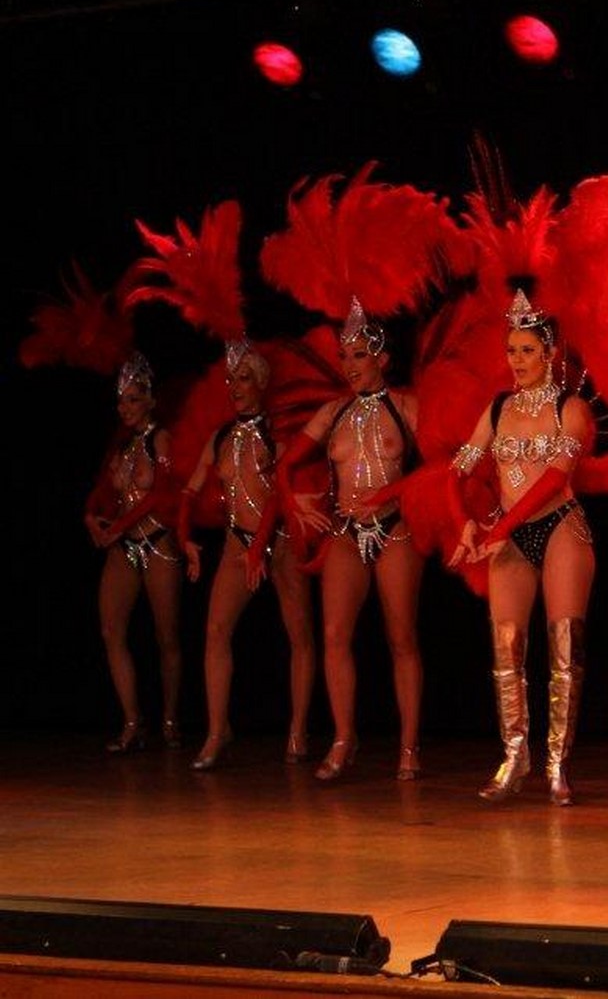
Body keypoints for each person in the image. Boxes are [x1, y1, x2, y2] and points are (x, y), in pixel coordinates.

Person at [447, 289, 595, 804]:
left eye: (528, 350)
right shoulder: (497, 409)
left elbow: (554, 479)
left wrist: (499, 529)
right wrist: (465, 523)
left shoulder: (570, 408)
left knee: (564, 650)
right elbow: (457, 471)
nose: (518, 360)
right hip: (507, 533)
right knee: (505, 649)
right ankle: (514, 757)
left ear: (549, 352)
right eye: (511, 350)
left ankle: (556, 764)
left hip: (559, 528)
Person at [278, 297, 425, 781]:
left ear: (382, 358)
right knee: (335, 635)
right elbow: (285, 465)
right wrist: (295, 504)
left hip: (394, 528)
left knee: (401, 637)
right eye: (343, 356)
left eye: (359, 355)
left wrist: (389, 493)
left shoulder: (405, 406)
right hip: (345, 531)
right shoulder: (333, 412)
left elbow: (443, 466)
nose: (349, 365)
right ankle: (343, 739)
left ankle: (408, 746)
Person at [178, 339, 318, 770]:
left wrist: (262, 548)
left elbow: (278, 493)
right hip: (238, 544)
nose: (235, 387)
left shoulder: (276, 432)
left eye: (243, 378)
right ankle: (217, 731)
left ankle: (298, 730)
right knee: (216, 630)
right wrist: (184, 538)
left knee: (300, 635)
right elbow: (190, 489)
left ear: (260, 382)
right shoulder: (220, 436)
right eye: (230, 379)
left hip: (280, 542)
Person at [86, 352, 185, 753]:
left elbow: (162, 494)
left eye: (132, 399)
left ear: (150, 400)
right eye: (120, 400)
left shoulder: (161, 440)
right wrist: (92, 520)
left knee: (166, 637)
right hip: (124, 547)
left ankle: (171, 720)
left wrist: (119, 526)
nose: (124, 407)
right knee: (111, 630)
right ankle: (132, 721)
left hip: (158, 542)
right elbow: (101, 493)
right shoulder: (121, 446)